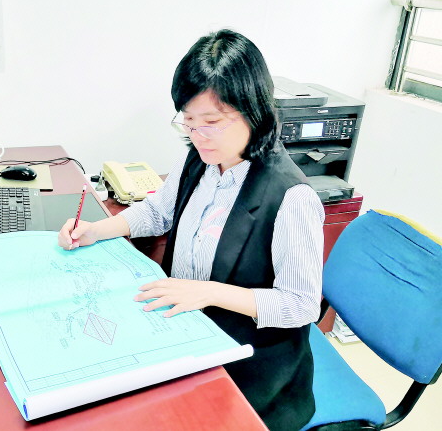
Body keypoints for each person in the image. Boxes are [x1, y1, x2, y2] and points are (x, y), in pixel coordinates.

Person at [58, 29, 324, 431]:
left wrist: (209, 292)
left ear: (253, 111)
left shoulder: (291, 197)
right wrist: (97, 230)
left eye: (212, 122)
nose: (197, 135)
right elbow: (158, 212)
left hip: (251, 364)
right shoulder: (201, 157)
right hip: (188, 328)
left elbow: (301, 305)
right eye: (188, 122)